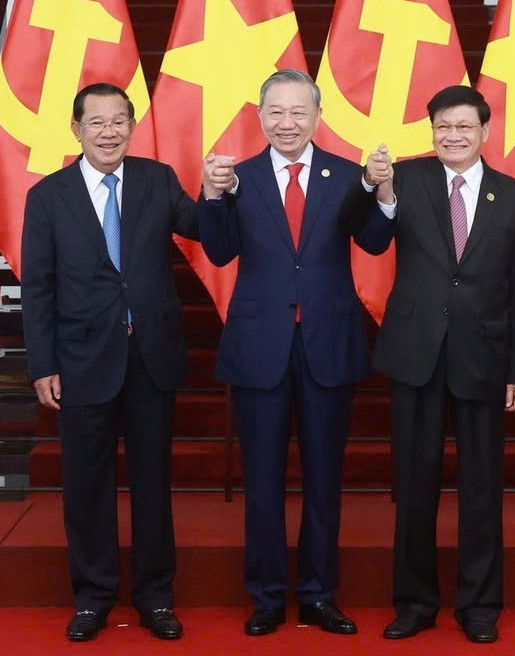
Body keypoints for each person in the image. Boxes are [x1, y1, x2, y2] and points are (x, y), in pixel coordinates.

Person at [197, 69, 394, 637]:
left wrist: (382, 193)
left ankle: (316, 594)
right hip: (261, 346)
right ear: (260, 116)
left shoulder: (345, 176)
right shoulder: (239, 177)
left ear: (317, 116)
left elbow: (376, 242)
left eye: (299, 112)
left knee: (324, 480)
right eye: (276, 112)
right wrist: (210, 196)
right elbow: (219, 248)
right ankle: (264, 596)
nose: (287, 123)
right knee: (261, 480)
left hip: (327, 344)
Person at [339, 85, 515, 645]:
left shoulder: (514, 196)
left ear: (484, 132)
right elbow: (371, 240)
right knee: (415, 485)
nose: (452, 135)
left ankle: (479, 605)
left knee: (482, 488)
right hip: (415, 354)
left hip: (485, 357)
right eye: (443, 127)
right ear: (431, 131)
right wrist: (373, 189)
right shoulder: (405, 177)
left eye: (464, 127)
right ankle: (414, 602)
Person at [21, 83, 199, 643]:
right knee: (86, 485)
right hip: (80, 361)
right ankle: (94, 597)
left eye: (119, 121)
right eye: (96, 122)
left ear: (131, 125)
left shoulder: (157, 179)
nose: (109, 131)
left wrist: (221, 192)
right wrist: (42, 363)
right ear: (76, 130)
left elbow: (201, 229)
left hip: (150, 358)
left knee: (153, 482)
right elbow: (39, 289)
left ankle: (155, 597)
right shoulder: (48, 197)